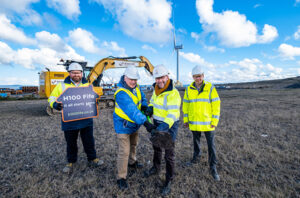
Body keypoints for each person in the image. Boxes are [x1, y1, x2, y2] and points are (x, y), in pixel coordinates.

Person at [48, 62, 104, 174]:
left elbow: (93, 97)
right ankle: (71, 162)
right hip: (70, 120)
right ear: (69, 73)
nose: (76, 75)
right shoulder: (61, 86)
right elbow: (51, 98)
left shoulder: (88, 85)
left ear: (82, 73)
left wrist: (95, 102)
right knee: (71, 142)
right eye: (73, 73)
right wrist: (54, 105)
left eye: (78, 73)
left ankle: (92, 158)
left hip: (86, 119)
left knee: (89, 141)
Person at [113, 66, 156, 190]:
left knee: (133, 145)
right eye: (131, 79)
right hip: (123, 126)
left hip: (134, 125)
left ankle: (132, 162)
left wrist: (144, 106)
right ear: (125, 77)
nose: (134, 82)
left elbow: (141, 97)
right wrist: (147, 124)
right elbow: (132, 111)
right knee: (124, 151)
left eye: (135, 80)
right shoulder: (121, 93)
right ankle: (121, 177)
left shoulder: (136, 87)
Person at [143, 65, 181, 196]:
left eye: (161, 77)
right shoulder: (156, 90)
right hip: (157, 123)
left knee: (169, 154)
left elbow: (172, 114)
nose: (159, 80)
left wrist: (161, 129)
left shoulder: (173, 93)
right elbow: (153, 102)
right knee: (157, 148)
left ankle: (169, 180)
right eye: (157, 78)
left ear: (167, 76)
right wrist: (150, 108)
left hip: (169, 126)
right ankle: (156, 168)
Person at [182, 65, 221, 181]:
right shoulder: (189, 89)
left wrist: (214, 121)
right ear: (192, 77)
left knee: (211, 146)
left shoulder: (210, 88)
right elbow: (186, 105)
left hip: (208, 123)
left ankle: (213, 167)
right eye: (195, 76)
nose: (197, 78)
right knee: (196, 142)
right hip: (194, 122)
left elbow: (216, 104)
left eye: (199, 76)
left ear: (203, 76)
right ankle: (196, 158)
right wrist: (186, 119)